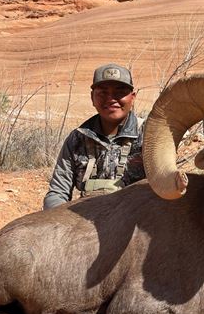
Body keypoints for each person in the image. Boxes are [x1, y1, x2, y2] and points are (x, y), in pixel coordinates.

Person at [43, 63, 145, 209]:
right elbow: (57, 193)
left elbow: (165, 186)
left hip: (136, 216)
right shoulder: (77, 138)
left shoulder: (150, 135)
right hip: (85, 217)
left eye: (120, 92)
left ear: (132, 97)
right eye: (103, 93)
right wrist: (59, 218)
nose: (111, 99)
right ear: (92, 98)